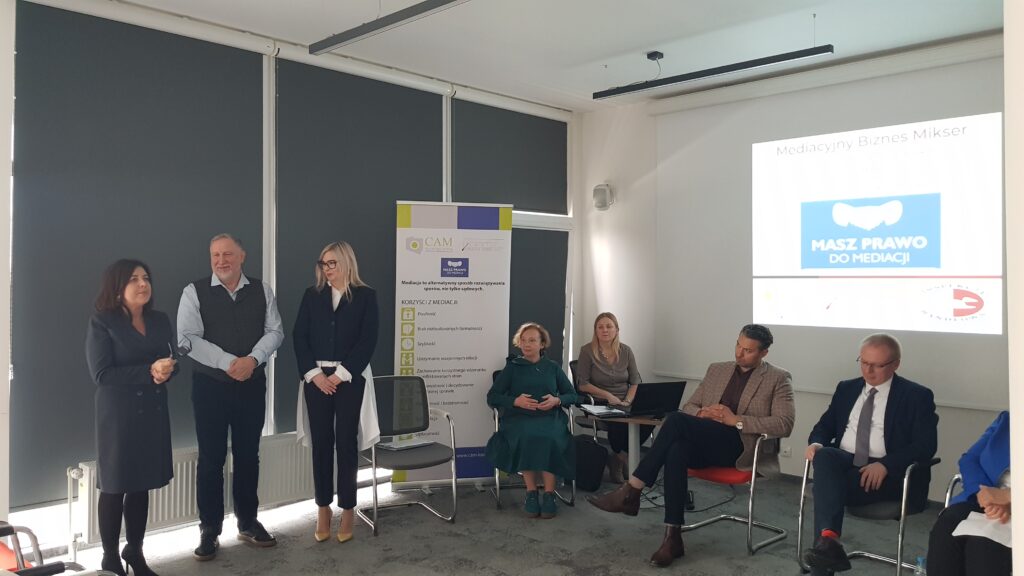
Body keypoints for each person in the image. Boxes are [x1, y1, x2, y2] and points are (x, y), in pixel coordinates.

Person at [587, 324, 795, 567]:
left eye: (748, 350)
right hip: (707, 441)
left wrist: (736, 420)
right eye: (738, 345)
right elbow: (690, 406)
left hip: (740, 446)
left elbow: (784, 423)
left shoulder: (778, 378)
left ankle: (633, 489)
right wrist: (703, 413)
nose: (739, 353)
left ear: (764, 353)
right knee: (677, 450)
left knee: (675, 421)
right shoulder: (717, 370)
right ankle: (672, 537)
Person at [178, 234, 284, 560]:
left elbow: (275, 331)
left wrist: (253, 360)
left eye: (227, 254)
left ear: (242, 256)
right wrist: (229, 363)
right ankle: (209, 530)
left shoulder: (262, 290)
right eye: (215, 255)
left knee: (248, 455)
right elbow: (187, 338)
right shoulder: (193, 292)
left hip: (251, 384)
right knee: (211, 459)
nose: (221, 261)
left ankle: (248, 522)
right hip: (209, 387)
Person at [802, 333, 938, 575]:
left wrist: (886, 465)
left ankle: (823, 561)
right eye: (864, 362)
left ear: (895, 364)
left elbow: (925, 445)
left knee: (827, 487)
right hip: (845, 462)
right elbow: (824, 426)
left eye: (877, 365)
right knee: (825, 456)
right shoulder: (846, 388)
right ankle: (829, 543)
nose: (868, 370)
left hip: (888, 473)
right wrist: (817, 443)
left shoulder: (917, 396)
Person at [85, 259, 176, 576]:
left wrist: (167, 371)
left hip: (152, 410)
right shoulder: (103, 321)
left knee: (141, 485)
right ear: (117, 286)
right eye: (134, 279)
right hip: (118, 416)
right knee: (114, 486)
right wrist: (149, 371)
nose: (143, 284)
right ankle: (110, 557)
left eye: (146, 278)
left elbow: (170, 359)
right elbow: (102, 374)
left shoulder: (160, 319)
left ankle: (134, 551)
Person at [293, 241, 378, 543]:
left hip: (350, 379)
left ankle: (348, 508)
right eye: (323, 263)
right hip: (316, 380)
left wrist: (340, 376)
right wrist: (315, 375)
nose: (327, 269)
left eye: (332, 263)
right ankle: (323, 507)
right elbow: (300, 337)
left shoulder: (365, 296)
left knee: (346, 443)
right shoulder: (312, 295)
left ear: (346, 263)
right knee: (321, 444)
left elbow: (367, 341)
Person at [486, 322, 578, 519]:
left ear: (542, 344)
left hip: (550, 417)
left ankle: (550, 494)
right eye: (523, 340)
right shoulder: (512, 367)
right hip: (519, 418)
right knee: (526, 436)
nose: (527, 344)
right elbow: (492, 397)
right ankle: (531, 493)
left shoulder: (552, 368)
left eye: (532, 340)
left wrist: (557, 400)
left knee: (550, 438)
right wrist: (515, 401)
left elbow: (573, 395)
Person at [927, 411, 1010, 576]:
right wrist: (983, 493)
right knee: (948, 525)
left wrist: (1009, 497)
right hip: (987, 498)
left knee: (982, 544)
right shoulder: (1007, 420)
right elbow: (970, 459)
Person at [576, 312, 648, 484]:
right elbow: (582, 384)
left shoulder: (626, 351)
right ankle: (622, 460)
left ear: (617, 329)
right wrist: (608, 396)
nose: (605, 330)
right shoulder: (587, 351)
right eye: (600, 327)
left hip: (626, 401)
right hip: (600, 402)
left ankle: (618, 459)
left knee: (651, 417)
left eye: (609, 326)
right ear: (595, 330)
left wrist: (627, 401)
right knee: (619, 420)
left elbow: (635, 382)